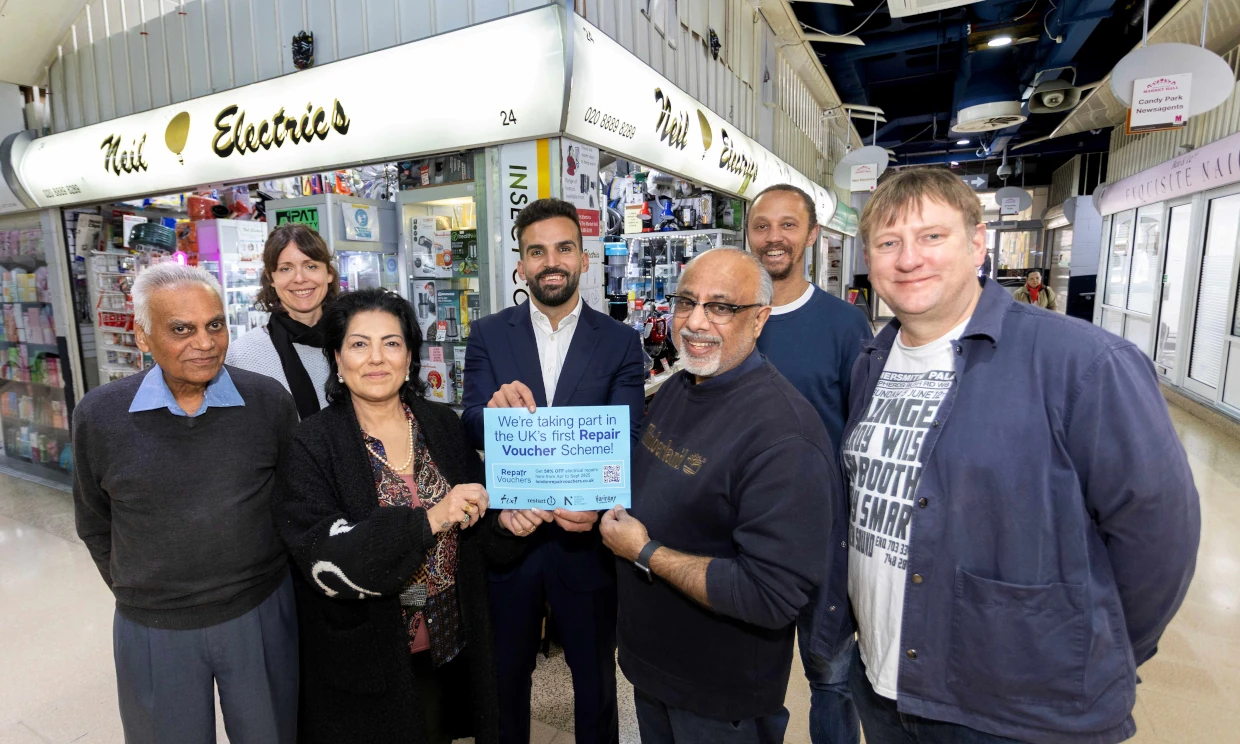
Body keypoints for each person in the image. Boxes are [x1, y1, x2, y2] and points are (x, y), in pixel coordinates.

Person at [844, 167, 1199, 744]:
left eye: (932, 236)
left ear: (978, 242)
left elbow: (1158, 534)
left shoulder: (1082, 363)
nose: (909, 259)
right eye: (888, 243)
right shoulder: (873, 362)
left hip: (1015, 712)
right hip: (887, 686)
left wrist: (1084, 649)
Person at [599, 248, 837, 744]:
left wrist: (644, 552)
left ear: (759, 319)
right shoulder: (680, 386)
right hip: (655, 673)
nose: (696, 322)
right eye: (686, 302)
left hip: (719, 699)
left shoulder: (784, 435)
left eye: (722, 307)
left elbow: (769, 594)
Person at [274, 288, 527, 744]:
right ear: (336, 357)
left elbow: (478, 527)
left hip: (449, 647)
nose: (376, 358)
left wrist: (506, 525)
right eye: (358, 344)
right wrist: (429, 518)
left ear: (410, 356)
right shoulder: (311, 444)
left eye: (391, 343)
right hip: (366, 659)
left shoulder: (442, 426)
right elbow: (327, 560)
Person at [72, 263, 299, 744]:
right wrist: (147, 590)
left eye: (214, 324)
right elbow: (94, 521)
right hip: (154, 627)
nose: (205, 342)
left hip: (259, 613)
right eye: (182, 329)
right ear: (143, 337)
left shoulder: (267, 402)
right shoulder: (100, 415)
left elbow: (293, 501)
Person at [462, 198, 645, 744]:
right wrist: (491, 411)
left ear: (584, 259)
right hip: (510, 537)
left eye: (563, 248)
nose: (551, 261)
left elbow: (630, 437)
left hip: (585, 543)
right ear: (520, 265)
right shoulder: (490, 335)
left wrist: (599, 504)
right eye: (536, 251)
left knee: (594, 684)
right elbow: (470, 422)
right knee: (505, 679)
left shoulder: (620, 341)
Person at [748, 184, 871, 744]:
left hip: (824, 534)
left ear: (812, 235)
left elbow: (862, 432)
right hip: (746, 533)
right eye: (762, 226)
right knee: (751, 676)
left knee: (830, 675)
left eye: (788, 225)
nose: (774, 237)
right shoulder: (731, 320)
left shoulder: (845, 326)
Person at [227, 223, 340, 418]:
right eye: (286, 269)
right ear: (271, 278)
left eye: (311, 266)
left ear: (328, 273)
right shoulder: (241, 355)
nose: (299, 278)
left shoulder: (353, 341)